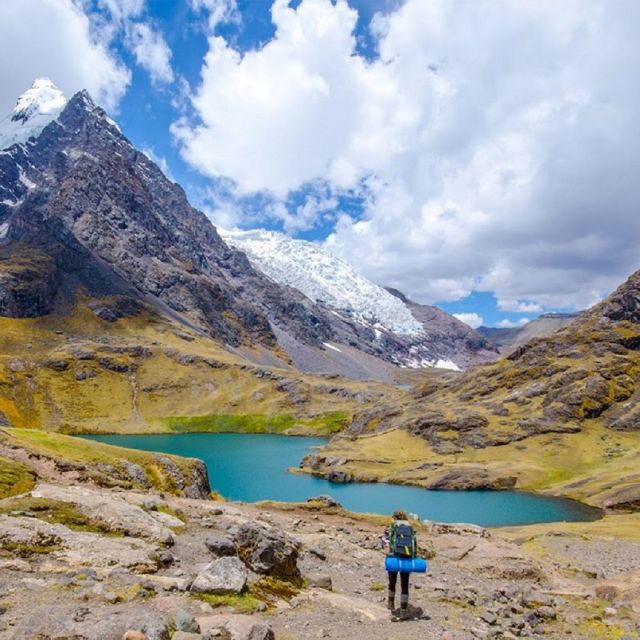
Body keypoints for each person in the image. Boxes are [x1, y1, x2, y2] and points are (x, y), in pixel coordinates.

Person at [381, 509, 417, 619]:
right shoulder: (410, 527)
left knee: (392, 582)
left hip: (393, 557)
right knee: (404, 584)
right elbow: (414, 543)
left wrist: (387, 552)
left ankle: (391, 604)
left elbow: (384, 541)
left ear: (394, 517)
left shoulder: (390, 527)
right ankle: (403, 610)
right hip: (406, 558)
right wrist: (413, 556)